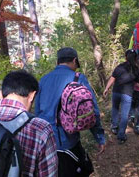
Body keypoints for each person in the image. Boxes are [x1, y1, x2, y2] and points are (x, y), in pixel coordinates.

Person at [35, 47, 105, 177]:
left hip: (46, 144)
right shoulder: (78, 79)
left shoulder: (44, 80)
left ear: (58, 61)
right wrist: (99, 138)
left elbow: (37, 112)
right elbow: (92, 111)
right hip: (68, 143)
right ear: (74, 60)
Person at [103, 49, 139, 144]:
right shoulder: (136, 70)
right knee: (124, 115)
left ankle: (114, 127)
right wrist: (133, 82)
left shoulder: (119, 67)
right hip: (127, 94)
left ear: (125, 57)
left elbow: (112, 79)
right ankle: (121, 136)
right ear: (136, 58)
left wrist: (106, 89)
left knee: (115, 109)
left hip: (116, 92)